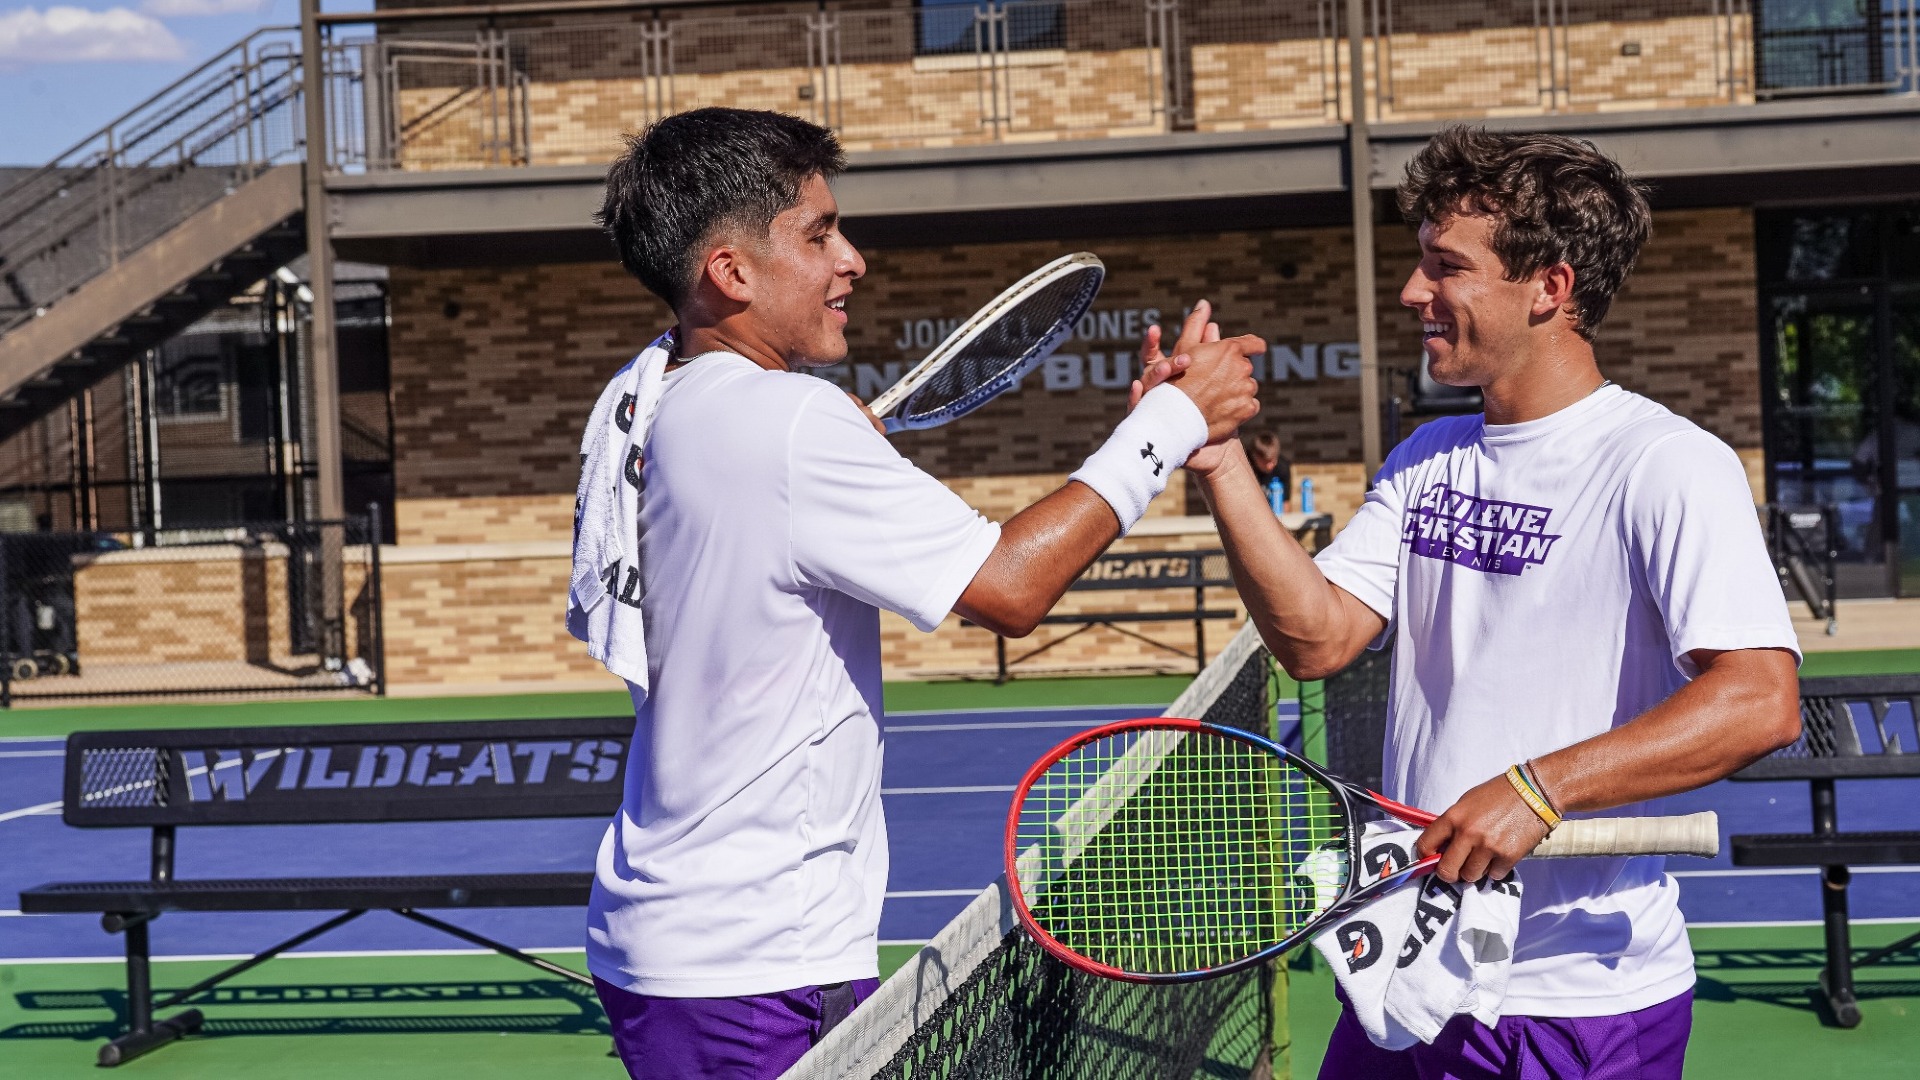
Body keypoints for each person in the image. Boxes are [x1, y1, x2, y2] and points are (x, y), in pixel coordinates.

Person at [575, 107, 1261, 1080]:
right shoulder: (788, 425)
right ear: (730, 272)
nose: (851, 259)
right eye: (818, 235)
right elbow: (1011, 591)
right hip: (757, 963)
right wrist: (1170, 423)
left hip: (666, 937)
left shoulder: (640, 399)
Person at [1143, 127, 1802, 1078]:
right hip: (1410, 982)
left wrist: (1540, 788)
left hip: (1573, 1005)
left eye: (1445, 266)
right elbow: (1318, 638)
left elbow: (1758, 700)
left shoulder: (1666, 464)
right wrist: (1218, 462)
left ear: (1550, 288)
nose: (1414, 292)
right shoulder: (1427, 459)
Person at [1246, 430, 1290, 503]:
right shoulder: (1246, 466)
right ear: (1254, 456)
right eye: (1265, 462)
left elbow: (1285, 502)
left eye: (1273, 461)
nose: (1270, 466)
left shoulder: (1283, 467)